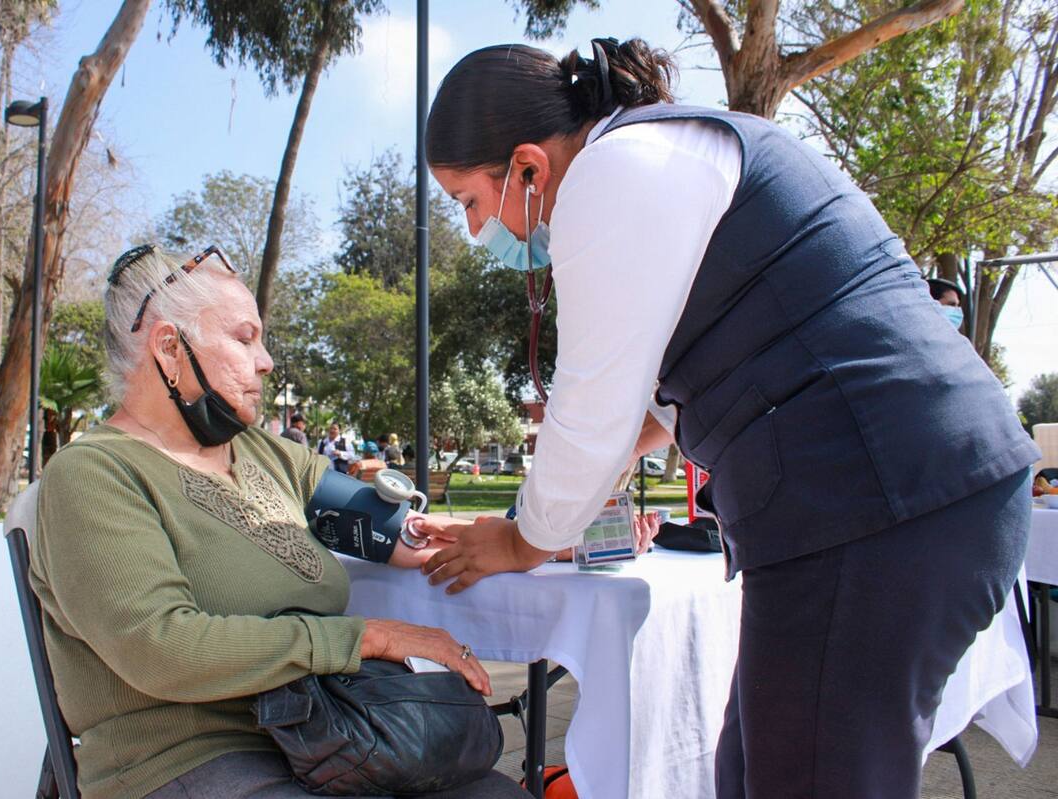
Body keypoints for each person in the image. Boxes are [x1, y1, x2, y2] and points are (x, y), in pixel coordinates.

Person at [414, 38, 1040, 797]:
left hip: (880, 501)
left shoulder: (611, 176)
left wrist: (517, 540)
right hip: (905, 491)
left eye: (469, 203)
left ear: (526, 167)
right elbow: (675, 399)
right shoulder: (667, 150)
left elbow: (590, 411)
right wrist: (575, 497)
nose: (479, 230)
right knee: (749, 771)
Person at [30, 244, 526, 799]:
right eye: (245, 338)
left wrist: (529, 540)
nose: (265, 360)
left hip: (329, 736)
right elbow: (162, 649)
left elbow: (398, 531)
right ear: (169, 348)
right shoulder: (94, 473)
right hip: (190, 759)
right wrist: (369, 636)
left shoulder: (265, 454)